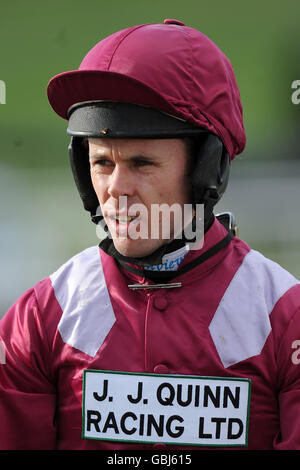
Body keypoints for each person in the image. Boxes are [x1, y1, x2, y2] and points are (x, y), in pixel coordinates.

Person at [1, 18, 300, 451]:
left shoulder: (285, 319)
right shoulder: (39, 320)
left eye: (142, 163)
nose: (116, 188)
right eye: (102, 163)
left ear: (207, 169)